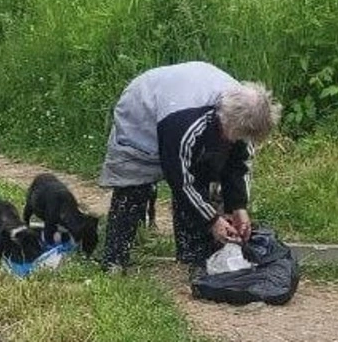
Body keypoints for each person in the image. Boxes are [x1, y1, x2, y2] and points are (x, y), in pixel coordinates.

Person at [98, 61, 282, 273]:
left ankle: (191, 254)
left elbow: (237, 165)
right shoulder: (184, 122)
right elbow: (179, 176)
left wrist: (238, 207)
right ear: (224, 119)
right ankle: (114, 259)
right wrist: (212, 220)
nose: (237, 140)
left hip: (186, 107)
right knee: (134, 185)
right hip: (142, 108)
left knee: (204, 171)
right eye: (235, 135)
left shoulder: (244, 116)